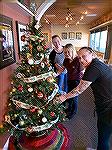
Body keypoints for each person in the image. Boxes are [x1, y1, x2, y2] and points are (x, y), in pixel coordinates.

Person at [54, 47, 112, 150]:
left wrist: (64, 97)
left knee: (104, 137)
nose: (81, 60)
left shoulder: (93, 68)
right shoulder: (97, 63)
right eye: (79, 57)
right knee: (103, 133)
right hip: (106, 103)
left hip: (108, 107)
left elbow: (79, 89)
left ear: (92, 54)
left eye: (84, 56)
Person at [57, 44, 84, 119]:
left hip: (76, 81)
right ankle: (69, 108)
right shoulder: (66, 60)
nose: (67, 54)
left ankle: (73, 112)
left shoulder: (78, 60)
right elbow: (62, 69)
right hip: (69, 80)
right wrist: (55, 74)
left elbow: (82, 70)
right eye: (65, 52)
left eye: (68, 52)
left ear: (73, 51)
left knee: (74, 97)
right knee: (69, 95)